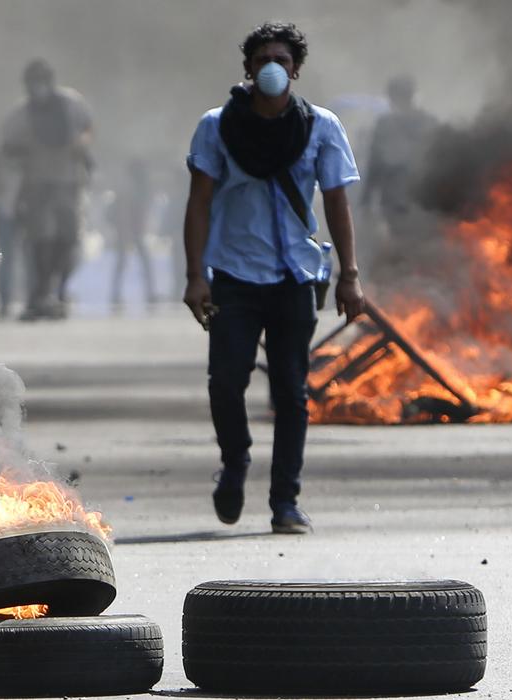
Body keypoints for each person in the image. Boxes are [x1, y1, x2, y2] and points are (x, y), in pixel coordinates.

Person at [182, 22, 366, 534]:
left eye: (281, 60)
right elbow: (199, 203)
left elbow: (336, 202)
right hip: (234, 277)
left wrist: (349, 275)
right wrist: (195, 275)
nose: (271, 67)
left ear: (295, 70)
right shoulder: (216, 127)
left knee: (291, 392)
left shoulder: (321, 127)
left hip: (295, 278)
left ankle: (285, 501)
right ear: (247, 68)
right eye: (262, 59)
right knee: (226, 382)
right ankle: (235, 460)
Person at [0, 58, 95, 320]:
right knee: (39, 242)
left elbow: (87, 128)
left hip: (68, 180)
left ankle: (57, 290)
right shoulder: (21, 114)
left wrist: (82, 146)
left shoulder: (71, 104)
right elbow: (7, 147)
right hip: (37, 183)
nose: (38, 88)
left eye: (42, 81)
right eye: (34, 82)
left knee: (68, 238)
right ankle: (40, 294)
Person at [361, 75, 437, 239]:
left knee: (408, 243)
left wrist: (366, 200)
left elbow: (374, 166)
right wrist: (366, 200)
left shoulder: (387, 125)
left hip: (410, 201)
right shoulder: (428, 122)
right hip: (405, 202)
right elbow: (375, 164)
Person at [110, 159, 159, 309]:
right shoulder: (133, 188)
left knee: (125, 262)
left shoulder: (132, 187)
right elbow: (125, 210)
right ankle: (146, 292)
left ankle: (117, 293)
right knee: (136, 262)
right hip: (130, 230)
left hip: (130, 230)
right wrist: (127, 230)